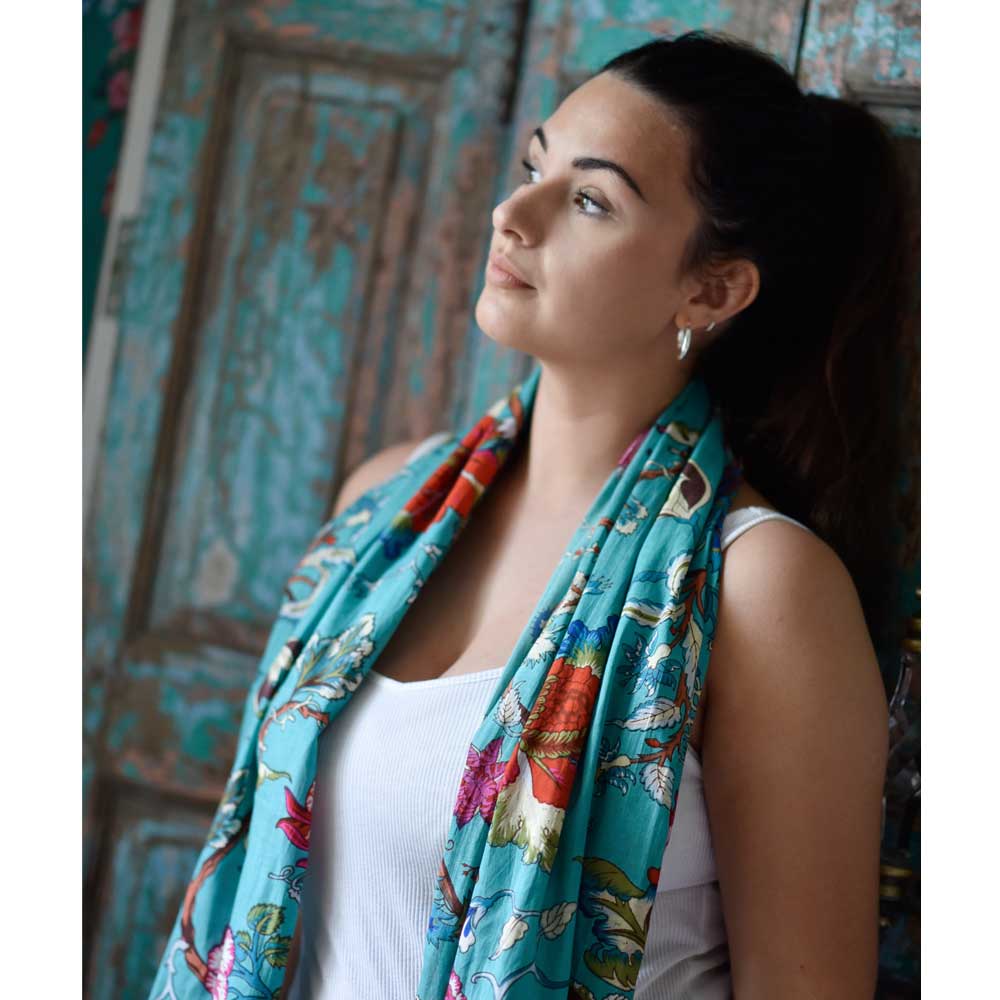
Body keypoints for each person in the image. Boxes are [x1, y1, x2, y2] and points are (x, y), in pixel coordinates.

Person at [153, 30, 909, 1000]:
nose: (513, 215)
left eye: (590, 200)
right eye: (533, 169)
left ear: (712, 287)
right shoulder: (386, 507)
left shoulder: (762, 587)